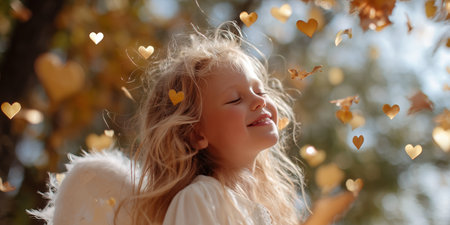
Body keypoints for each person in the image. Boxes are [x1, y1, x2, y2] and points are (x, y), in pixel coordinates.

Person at [28, 22, 355, 225]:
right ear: (197, 133)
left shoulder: (268, 208)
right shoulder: (201, 199)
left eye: (259, 90)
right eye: (234, 99)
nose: (259, 101)